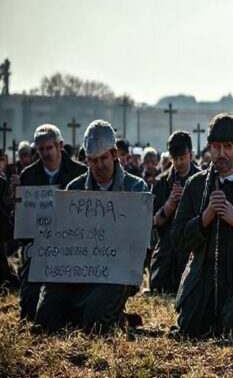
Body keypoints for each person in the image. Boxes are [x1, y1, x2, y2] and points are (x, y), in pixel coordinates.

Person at [35, 120, 149, 332]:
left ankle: (111, 316)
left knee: (94, 323)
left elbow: (143, 241)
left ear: (114, 154)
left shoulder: (135, 188)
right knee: (46, 319)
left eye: (103, 158)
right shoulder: (75, 189)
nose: (98, 166)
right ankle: (107, 314)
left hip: (116, 273)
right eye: (92, 160)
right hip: (78, 269)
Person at [171, 114, 233, 338]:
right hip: (203, 278)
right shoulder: (196, 185)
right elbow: (178, 239)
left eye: (228, 147)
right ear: (209, 148)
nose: (221, 154)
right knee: (190, 326)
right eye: (216, 147)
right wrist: (205, 218)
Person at [15, 124, 87, 321]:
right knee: (30, 308)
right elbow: (23, 225)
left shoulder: (80, 173)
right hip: (40, 246)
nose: (45, 153)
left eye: (49, 148)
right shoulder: (28, 176)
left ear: (60, 145)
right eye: (40, 150)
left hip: (74, 246)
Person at [149, 131, 200, 294]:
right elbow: (153, 221)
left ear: (190, 155)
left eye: (182, 157)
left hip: (193, 241)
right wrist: (169, 205)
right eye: (175, 158)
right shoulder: (161, 182)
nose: (179, 163)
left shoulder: (202, 180)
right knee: (159, 285)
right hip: (168, 243)